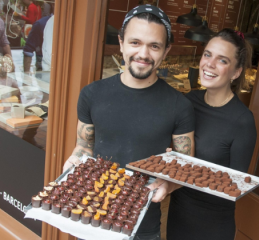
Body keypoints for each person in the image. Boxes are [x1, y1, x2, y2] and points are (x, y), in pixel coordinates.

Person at [62, 5, 195, 240]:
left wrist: (167, 185)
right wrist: (75, 162)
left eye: (154, 46)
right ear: (121, 43)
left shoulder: (179, 106)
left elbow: (185, 166)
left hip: (143, 226)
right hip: (92, 216)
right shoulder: (92, 94)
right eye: (135, 42)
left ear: (166, 51)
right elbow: (84, 146)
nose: (143, 54)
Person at [166, 29, 257, 240]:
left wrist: (186, 168)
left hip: (212, 223)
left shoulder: (242, 120)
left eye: (222, 60)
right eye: (207, 54)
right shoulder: (188, 101)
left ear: (236, 72)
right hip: (178, 213)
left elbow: (235, 186)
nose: (210, 64)